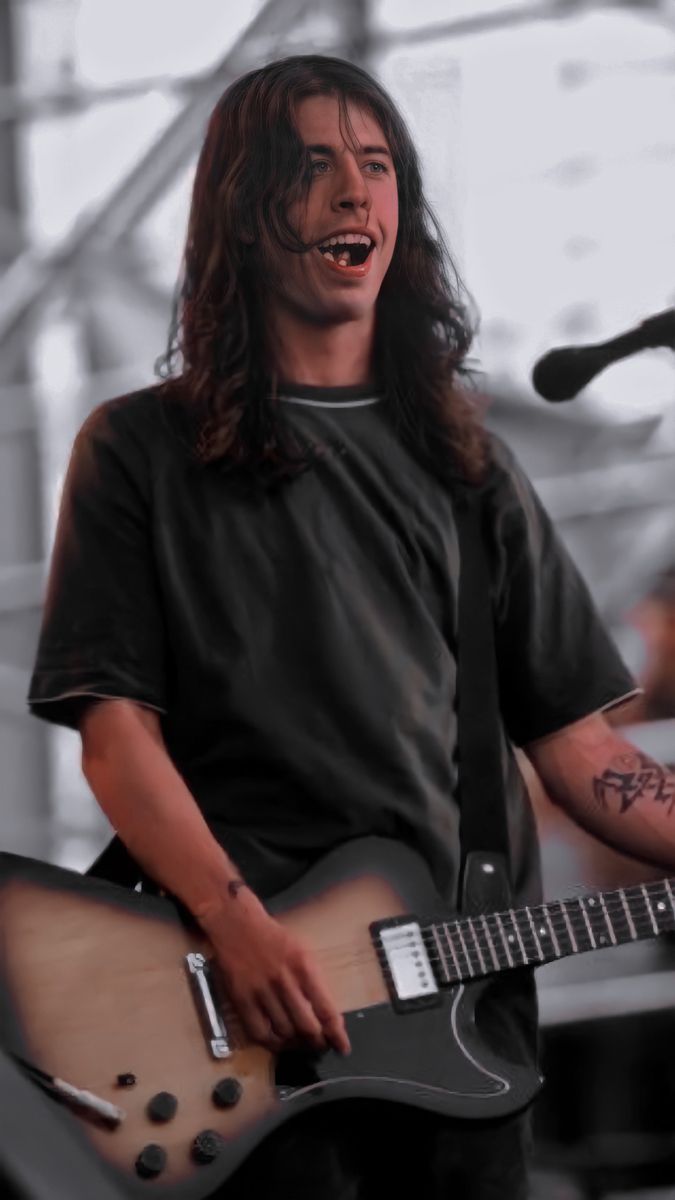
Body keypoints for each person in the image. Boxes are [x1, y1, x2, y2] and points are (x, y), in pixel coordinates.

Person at [26, 54, 675, 1200]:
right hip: (239, 1025)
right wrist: (236, 925)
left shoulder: (471, 468)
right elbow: (115, 737)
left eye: (375, 166)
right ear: (243, 205)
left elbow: (586, 755)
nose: (352, 193)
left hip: (466, 1036)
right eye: (313, 165)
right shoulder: (137, 451)